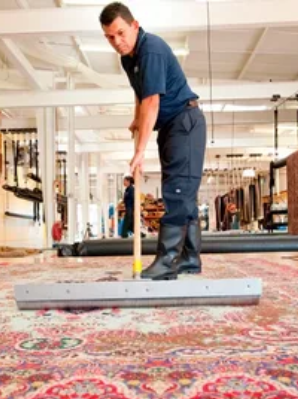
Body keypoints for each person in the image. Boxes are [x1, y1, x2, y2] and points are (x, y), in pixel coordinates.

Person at [100, 2, 206, 280]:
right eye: (110, 37)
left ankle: (167, 262)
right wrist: (137, 119)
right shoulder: (128, 58)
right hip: (170, 127)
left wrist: (140, 150)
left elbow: (152, 100)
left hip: (185, 122)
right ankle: (189, 259)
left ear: (135, 26)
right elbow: (140, 93)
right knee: (183, 193)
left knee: (178, 192)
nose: (117, 42)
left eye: (121, 33)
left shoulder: (152, 50)